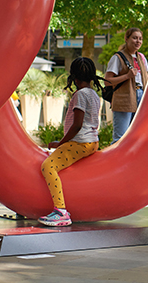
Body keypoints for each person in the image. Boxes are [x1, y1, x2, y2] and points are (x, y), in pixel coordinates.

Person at [38, 57, 103, 227]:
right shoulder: (94, 94)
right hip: (92, 141)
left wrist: (60, 143)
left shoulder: (80, 95)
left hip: (80, 142)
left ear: (74, 78)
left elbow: (77, 125)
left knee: (48, 166)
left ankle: (61, 212)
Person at [104, 28, 148, 143]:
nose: (138, 41)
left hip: (141, 96)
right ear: (126, 39)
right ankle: (116, 155)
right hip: (124, 98)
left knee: (138, 135)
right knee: (120, 137)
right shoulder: (117, 58)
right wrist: (127, 76)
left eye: (140, 39)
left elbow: (147, 79)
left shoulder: (142, 58)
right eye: (134, 38)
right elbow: (107, 81)